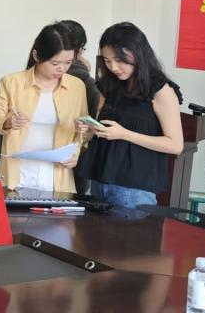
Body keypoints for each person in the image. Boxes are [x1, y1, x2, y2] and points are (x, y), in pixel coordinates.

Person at [77, 22, 184, 209]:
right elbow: (101, 131)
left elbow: (175, 145)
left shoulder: (160, 90)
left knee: (131, 229)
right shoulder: (109, 85)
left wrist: (124, 134)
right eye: (107, 61)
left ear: (138, 53)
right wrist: (90, 130)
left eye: (119, 60)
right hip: (99, 179)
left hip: (134, 187)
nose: (113, 67)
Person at [0, 23, 88, 193]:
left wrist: (76, 151)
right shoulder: (11, 82)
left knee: (58, 211)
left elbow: (84, 133)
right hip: (18, 171)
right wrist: (8, 122)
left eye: (68, 62)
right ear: (36, 55)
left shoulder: (77, 87)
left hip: (58, 174)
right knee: (15, 209)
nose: (62, 68)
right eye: (55, 63)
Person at [59, 19, 101, 196]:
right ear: (80, 50)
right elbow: (92, 129)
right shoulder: (89, 83)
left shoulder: (31, 75)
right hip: (74, 168)